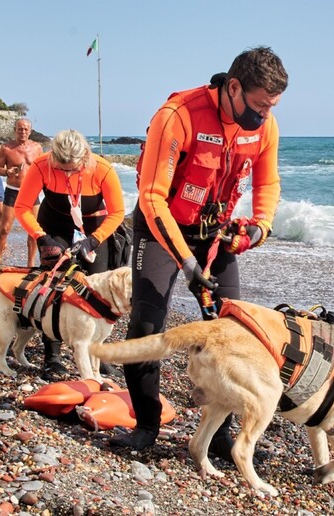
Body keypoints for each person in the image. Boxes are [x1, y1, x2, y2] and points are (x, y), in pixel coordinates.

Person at [110, 46, 288, 456]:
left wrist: (259, 227)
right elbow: (152, 198)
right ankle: (146, 425)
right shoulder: (178, 116)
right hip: (160, 228)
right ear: (235, 86)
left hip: (215, 232)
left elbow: (267, 185)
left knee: (232, 334)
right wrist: (187, 264)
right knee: (146, 323)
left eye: (272, 107)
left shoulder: (266, 126)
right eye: (260, 105)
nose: (264, 115)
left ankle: (220, 436)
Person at [14, 129, 125, 379]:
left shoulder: (103, 169)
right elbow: (22, 207)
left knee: (100, 290)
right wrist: (42, 238)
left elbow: (117, 212)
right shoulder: (42, 164)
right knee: (54, 287)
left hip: (95, 226)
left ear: (85, 157)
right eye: (62, 169)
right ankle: (52, 354)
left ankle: (97, 353)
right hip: (55, 225)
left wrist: (94, 240)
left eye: (73, 169)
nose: (67, 173)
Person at [0, 118, 43, 268]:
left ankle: (30, 262)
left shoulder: (37, 148)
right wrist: (7, 171)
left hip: (32, 192)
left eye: (26, 129)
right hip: (13, 191)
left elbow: (43, 168)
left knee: (33, 229)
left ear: (30, 131)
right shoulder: (7, 148)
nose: (23, 132)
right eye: (20, 129)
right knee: (5, 228)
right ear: (15, 130)